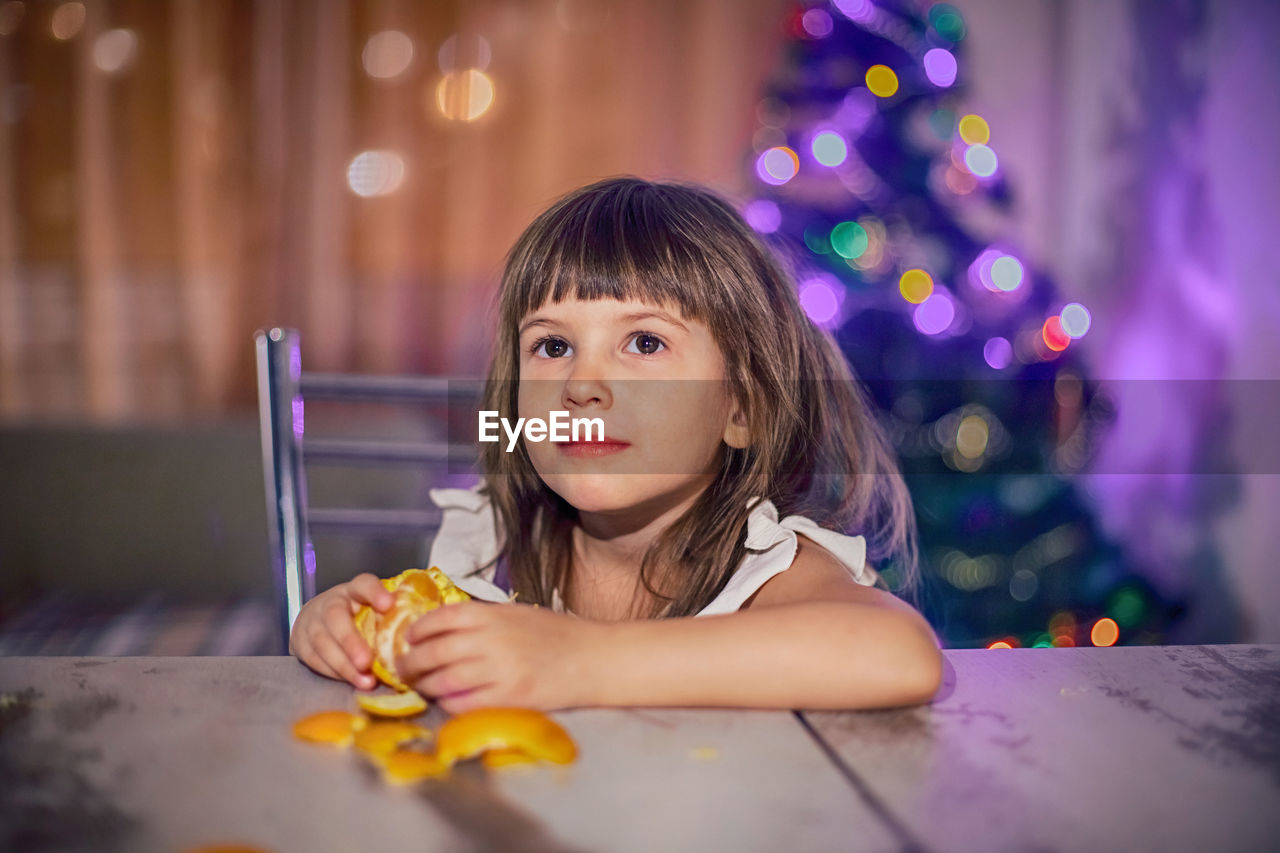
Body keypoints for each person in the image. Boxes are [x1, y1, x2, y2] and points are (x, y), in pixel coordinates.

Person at [290, 176, 943, 712]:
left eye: (645, 342)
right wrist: (339, 628)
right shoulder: (495, 546)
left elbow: (899, 652)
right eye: (552, 345)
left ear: (740, 408)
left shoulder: (763, 565)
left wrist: (583, 660)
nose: (582, 383)